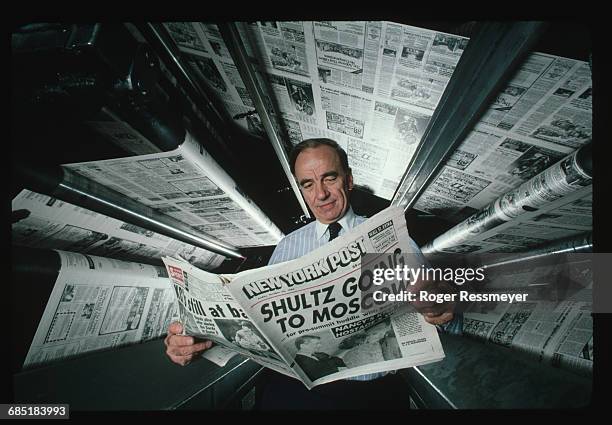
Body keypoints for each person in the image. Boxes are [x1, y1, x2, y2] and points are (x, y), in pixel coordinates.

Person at [164, 138, 455, 409]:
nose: (321, 194)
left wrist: (441, 309)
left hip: (370, 396)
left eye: (330, 177)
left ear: (349, 180)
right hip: (295, 392)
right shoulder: (287, 246)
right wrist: (197, 339)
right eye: (308, 184)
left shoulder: (392, 237)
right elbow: (262, 321)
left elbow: (444, 321)